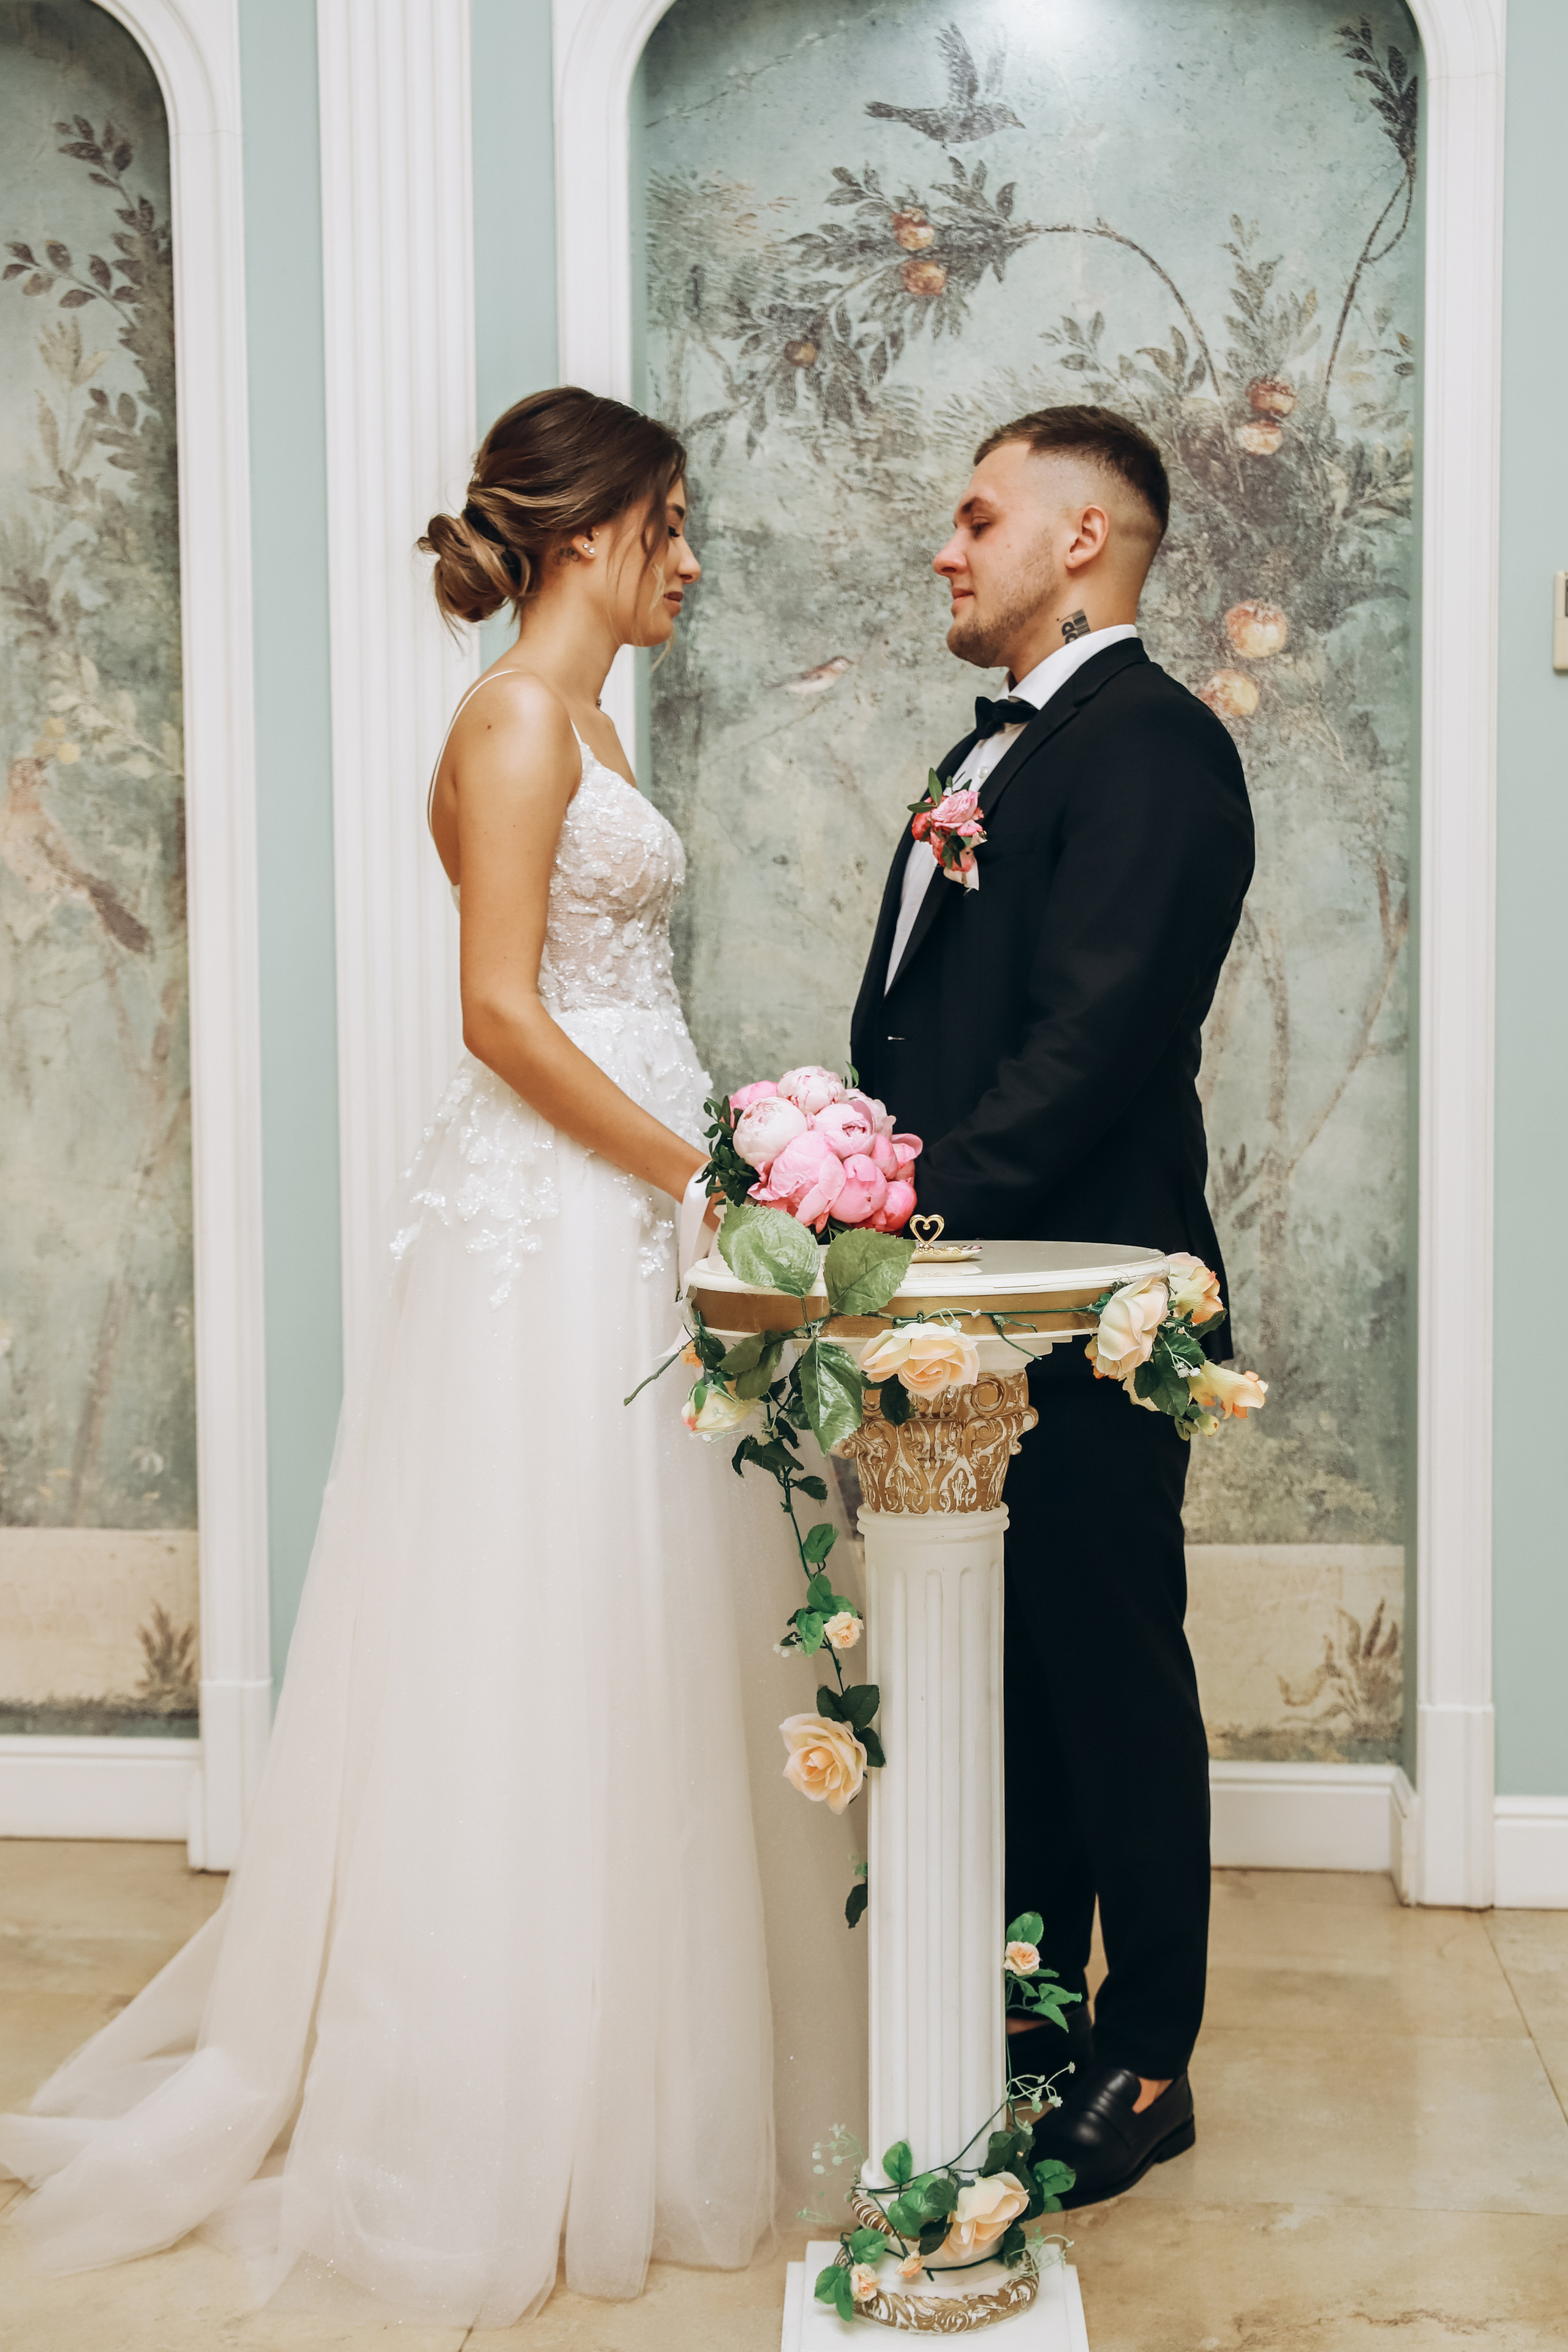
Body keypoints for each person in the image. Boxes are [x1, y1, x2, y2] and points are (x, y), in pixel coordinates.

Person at [0, 388, 786, 2326]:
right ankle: (500, 2113)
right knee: (539, 1628)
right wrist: (709, 1179)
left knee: (650, 1624)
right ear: (591, 530)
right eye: (672, 523)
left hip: (631, 1210)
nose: (690, 560)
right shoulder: (518, 718)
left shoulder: (594, 720)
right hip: (560, 1219)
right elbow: (505, 1016)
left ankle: (647, 2079)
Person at [849, 404, 1255, 2206]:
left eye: (978, 514)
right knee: (1005, 1686)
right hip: (992, 1302)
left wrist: (910, 1214)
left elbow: (1093, 1040)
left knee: (1106, 1677)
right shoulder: (1001, 745)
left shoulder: (1155, 744)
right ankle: (1024, 2017)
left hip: (1088, 1294)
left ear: (1083, 537)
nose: (949, 545)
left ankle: (1147, 2057)